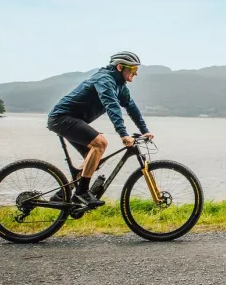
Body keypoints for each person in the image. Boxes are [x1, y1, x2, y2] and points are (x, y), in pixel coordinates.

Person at [47, 51, 154, 209]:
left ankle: (61, 194)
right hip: (61, 118)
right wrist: (123, 134)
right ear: (119, 67)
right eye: (132, 69)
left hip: (73, 120)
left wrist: (144, 130)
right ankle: (81, 193)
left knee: (93, 160)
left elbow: (131, 108)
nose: (135, 73)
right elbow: (112, 106)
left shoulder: (120, 87)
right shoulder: (104, 79)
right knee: (100, 143)